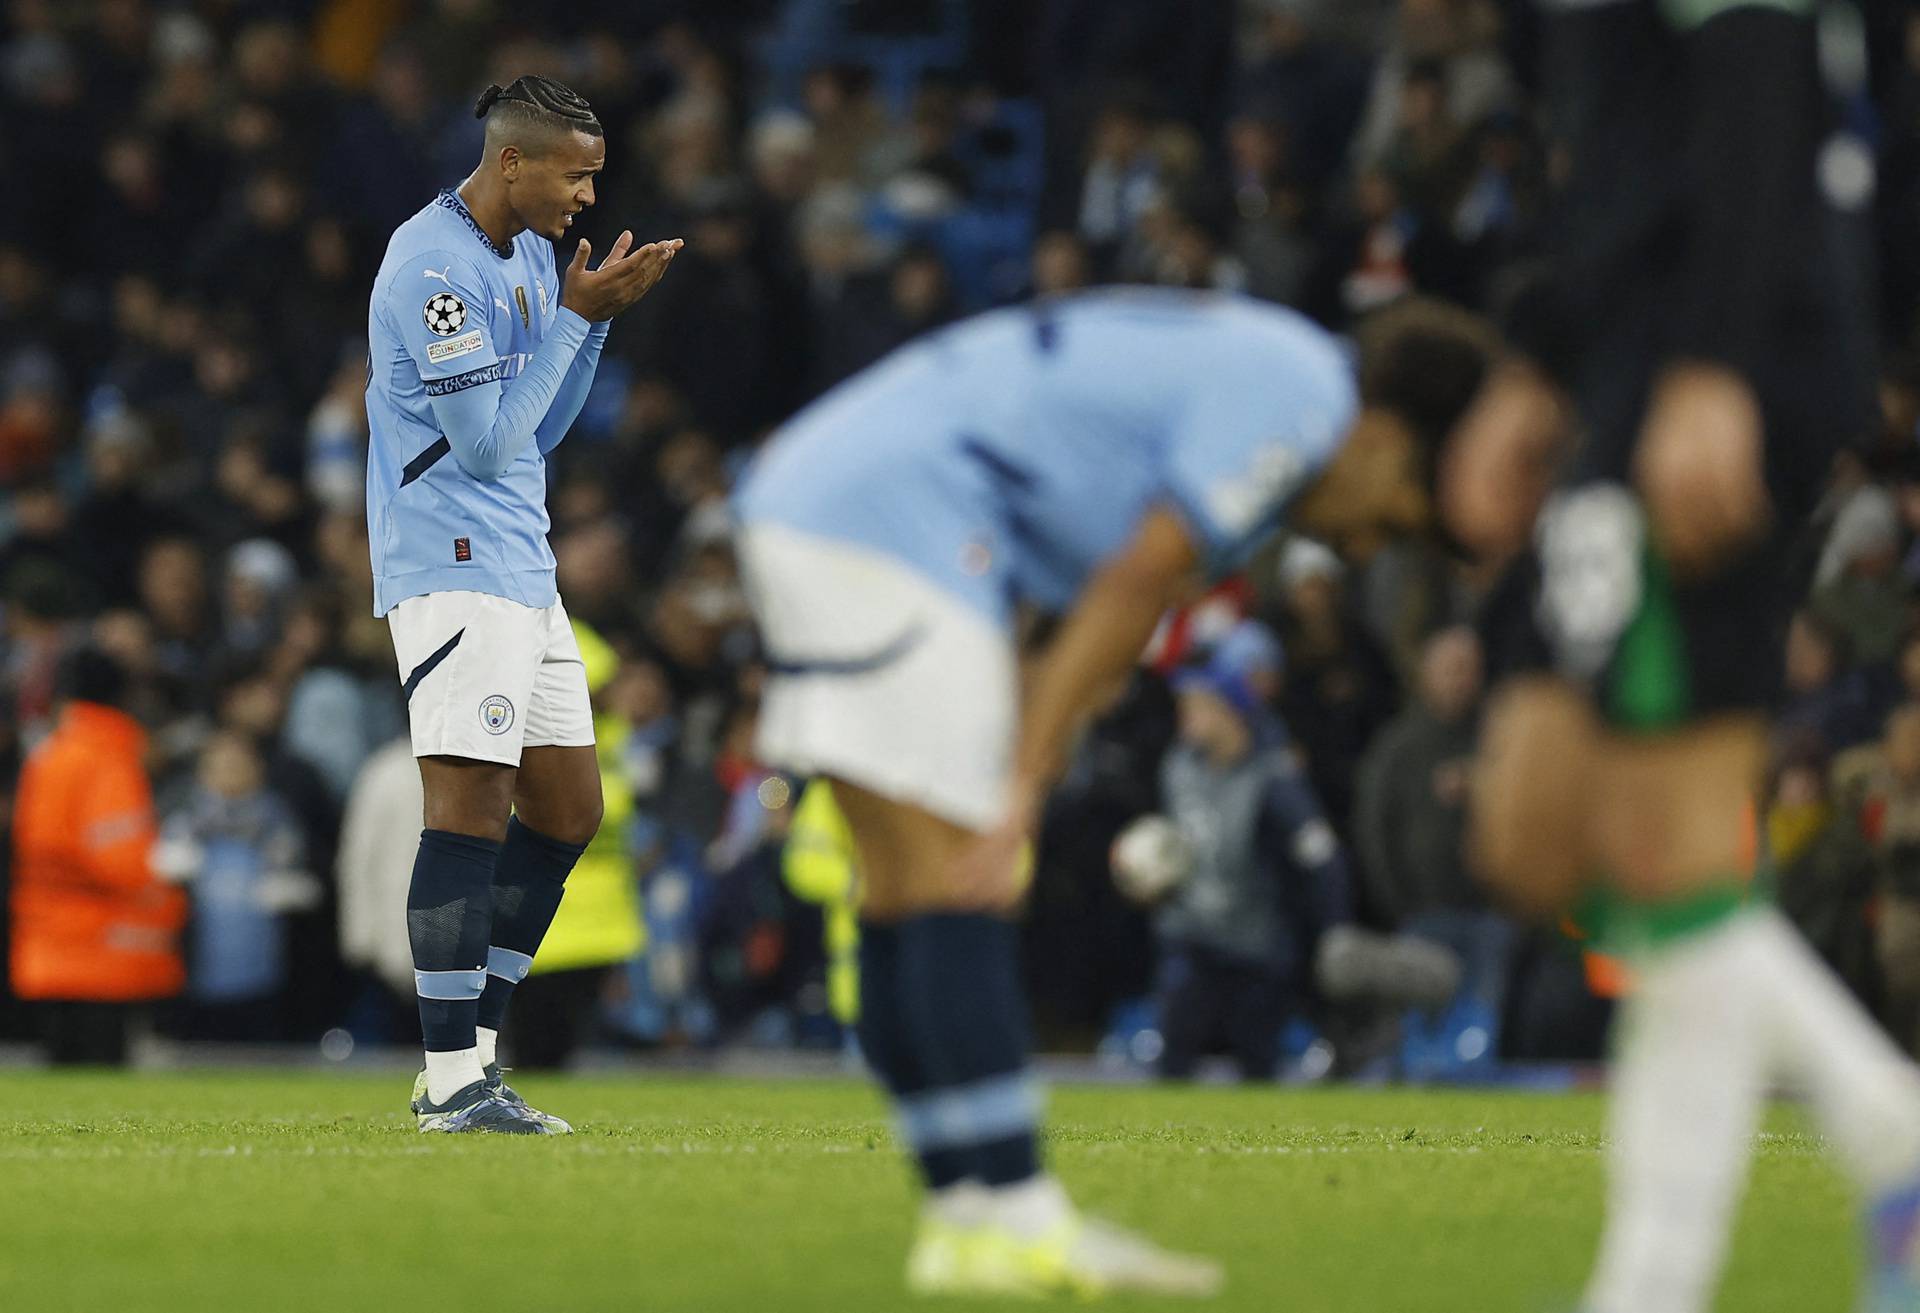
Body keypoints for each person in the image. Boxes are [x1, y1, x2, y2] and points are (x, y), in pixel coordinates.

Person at [734, 286, 1494, 1298]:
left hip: (833, 497)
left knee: (903, 890)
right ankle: (1019, 1217)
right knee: (961, 882)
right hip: (897, 519)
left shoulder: (1270, 371)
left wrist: (1034, 730)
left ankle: (966, 1219)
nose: (1365, 546)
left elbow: (1127, 598)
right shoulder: (1307, 396)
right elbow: (1136, 578)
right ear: (1392, 434)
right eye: (1396, 514)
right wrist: (1025, 775)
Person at [1441, 4, 1920, 1311]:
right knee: (1541, 836)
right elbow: (1613, 140)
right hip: (1631, 354)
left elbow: (1764, 70)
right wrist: (1537, 361)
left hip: (1711, 349)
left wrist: (1715, 361)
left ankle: (1655, 1281)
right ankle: (1887, 1128)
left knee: (1662, 846)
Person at [364, 73, 680, 1134]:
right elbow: (487, 442)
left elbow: (535, 434)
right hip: (450, 564)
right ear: (512, 162)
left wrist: (587, 326)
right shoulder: (433, 267)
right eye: (575, 175)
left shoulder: (533, 257)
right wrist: (575, 322)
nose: (588, 197)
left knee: (569, 810)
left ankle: (476, 1060)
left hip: (519, 563)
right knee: (468, 811)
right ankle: (450, 1076)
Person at [1147, 632, 1353, 1081]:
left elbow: (1321, 857)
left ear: (1228, 709)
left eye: (1196, 704)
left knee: (1258, 1072)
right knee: (1172, 1059)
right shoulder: (1177, 767)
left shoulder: (1274, 776)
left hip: (1255, 948)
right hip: (1192, 937)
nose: (1184, 716)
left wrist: (1334, 928)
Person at [10, 646, 185, 1065]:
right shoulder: (108, 758)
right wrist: (168, 888)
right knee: (101, 1084)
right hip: (105, 949)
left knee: (60, 1089)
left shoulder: (48, 756)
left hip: (50, 942)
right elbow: (118, 856)